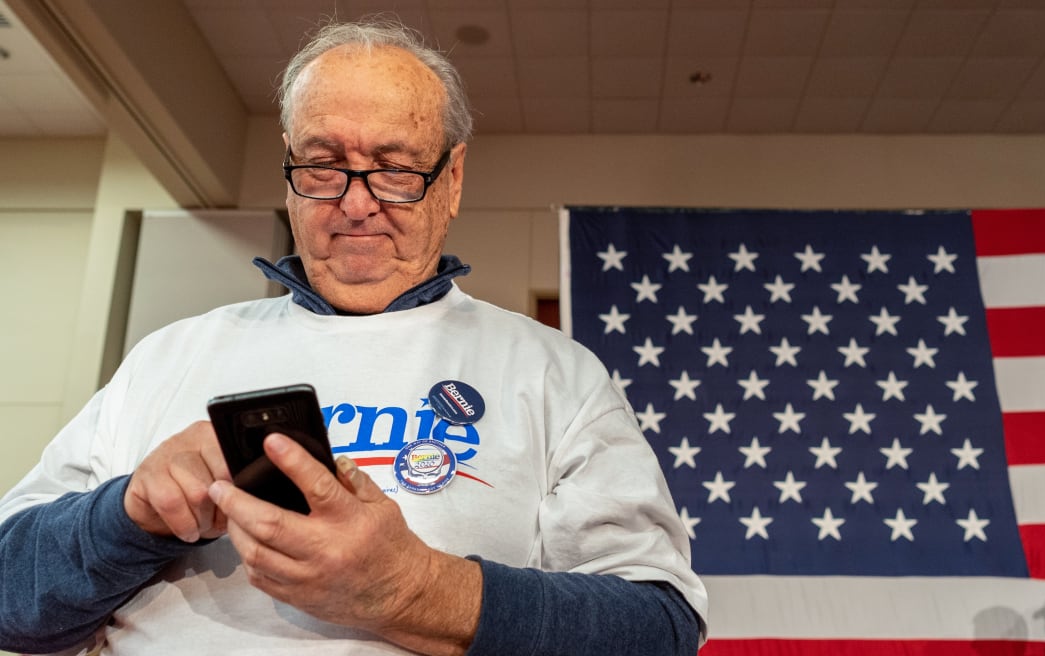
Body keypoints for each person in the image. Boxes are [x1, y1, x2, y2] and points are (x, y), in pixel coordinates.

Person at [0, 17, 708, 656]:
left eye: (396, 169)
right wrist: (131, 517)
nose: (357, 202)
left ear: (452, 180)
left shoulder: (554, 373)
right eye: (322, 165)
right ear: (288, 169)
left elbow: (657, 627)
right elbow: (10, 601)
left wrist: (413, 588)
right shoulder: (168, 355)